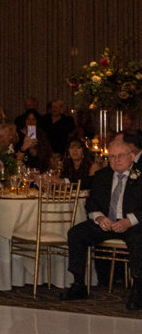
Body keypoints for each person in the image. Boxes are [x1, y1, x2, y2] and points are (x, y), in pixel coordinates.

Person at [64, 131, 142, 308]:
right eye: (112, 157)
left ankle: (138, 288)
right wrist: (99, 218)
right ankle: (78, 283)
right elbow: (91, 203)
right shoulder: (103, 176)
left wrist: (129, 220)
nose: (115, 160)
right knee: (76, 233)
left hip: (131, 225)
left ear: (131, 155)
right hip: (108, 222)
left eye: (120, 156)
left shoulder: (139, 175)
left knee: (138, 239)